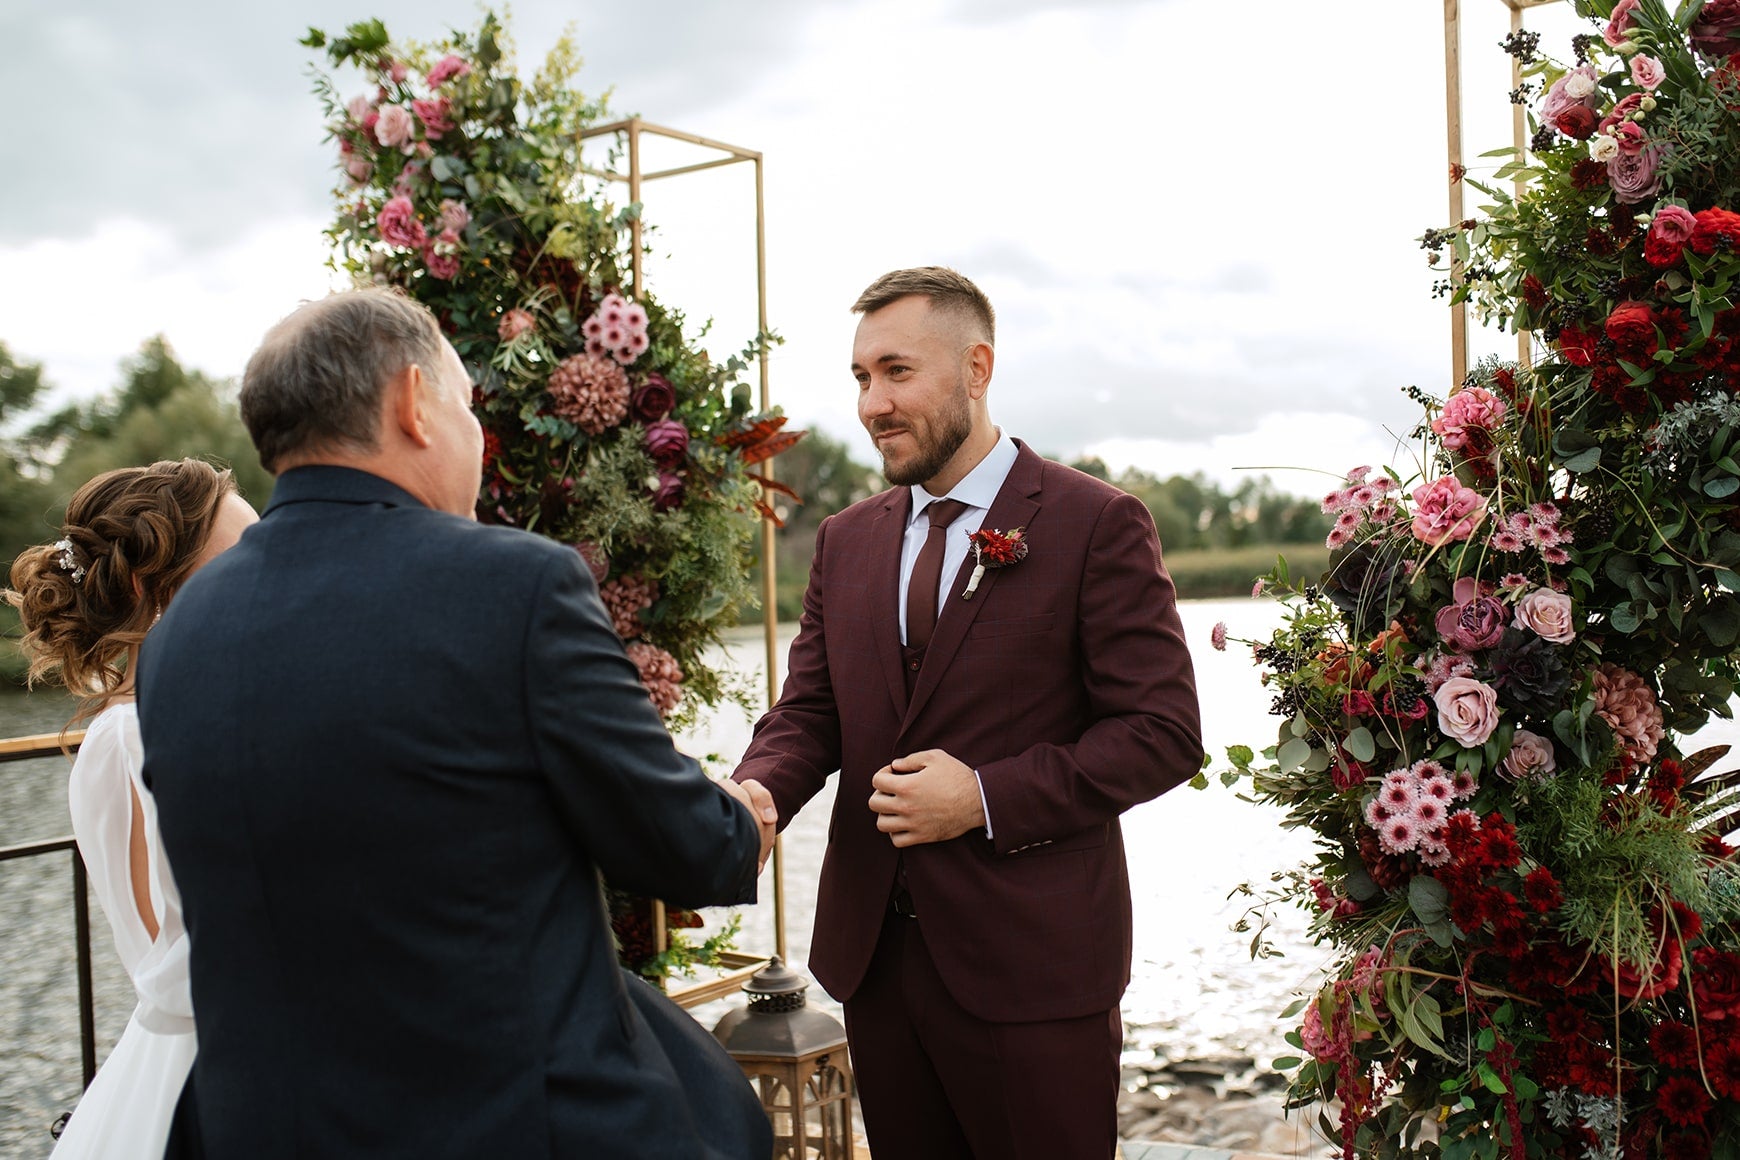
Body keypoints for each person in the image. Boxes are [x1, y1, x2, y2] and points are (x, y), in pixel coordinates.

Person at [136, 288, 778, 1159]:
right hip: (506, 1125)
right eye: (469, 406)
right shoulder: (514, 587)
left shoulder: (180, 634)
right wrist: (738, 818)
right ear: (412, 403)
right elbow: (678, 846)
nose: (477, 438)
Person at [732, 267, 1204, 1159]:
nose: (873, 403)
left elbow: (1163, 734)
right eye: (862, 378)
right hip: (875, 964)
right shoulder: (845, 539)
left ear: (977, 368)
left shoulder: (1095, 522)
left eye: (897, 371)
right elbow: (812, 711)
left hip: (1035, 968)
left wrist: (984, 796)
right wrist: (757, 795)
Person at [5, 459, 258, 1159]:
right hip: (206, 1068)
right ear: (155, 589)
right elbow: (182, 954)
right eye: (242, 560)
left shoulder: (172, 718)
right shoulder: (133, 735)